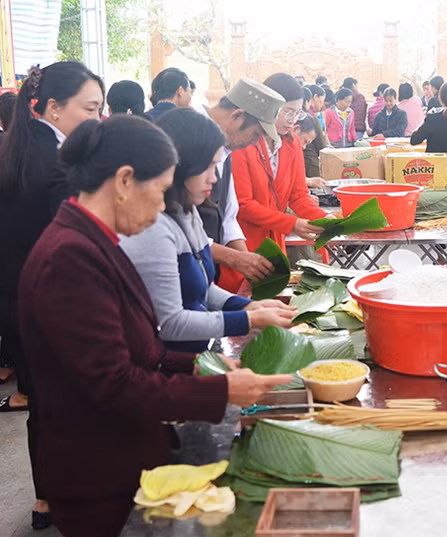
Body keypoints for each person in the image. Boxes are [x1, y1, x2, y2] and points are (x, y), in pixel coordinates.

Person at [17, 114, 293, 537]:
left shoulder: (93, 240)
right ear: (125, 181)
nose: (165, 207)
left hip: (124, 451)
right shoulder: (69, 258)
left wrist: (199, 369)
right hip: (97, 467)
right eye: (162, 190)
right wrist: (218, 391)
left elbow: (142, 344)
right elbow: (113, 384)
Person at [0, 61, 104, 530]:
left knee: (42, 399)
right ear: (55, 108)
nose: (97, 119)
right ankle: (69, 497)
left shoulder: (13, 149)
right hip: (50, 303)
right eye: (90, 108)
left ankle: (45, 500)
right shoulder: (58, 164)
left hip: (13, 301)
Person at [120, 108, 297, 352]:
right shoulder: (154, 228)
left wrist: (245, 307)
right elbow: (172, 323)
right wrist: (248, 320)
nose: (214, 179)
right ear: (183, 164)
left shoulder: (187, 211)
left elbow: (203, 289)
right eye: (208, 168)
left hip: (197, 354)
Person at [228, 73, 329, 290]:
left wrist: (329, 222)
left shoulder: (291, 144)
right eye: (287, 112)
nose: (292, 119)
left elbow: (298, 195)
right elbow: (243, 204)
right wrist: (291, 223)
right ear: (268, 106)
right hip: (244, 244)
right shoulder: (244, 143)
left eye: (297, 112)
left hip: (275, 243)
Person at [195, 77, 286, 293]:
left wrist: (248, 264)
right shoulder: (190, 136)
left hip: (206, 276)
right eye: (255, 135)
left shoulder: (226, 149)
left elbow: (228, 217)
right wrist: (234, 259)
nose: (254, 144)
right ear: (237, 115)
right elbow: (179, 229)